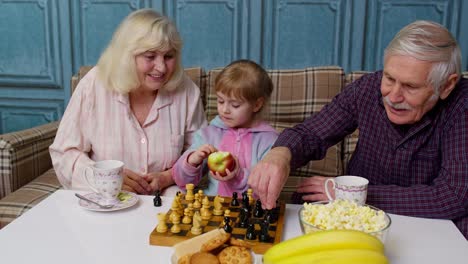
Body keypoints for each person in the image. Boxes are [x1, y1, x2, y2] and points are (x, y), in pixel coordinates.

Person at [248, 20, 468, 239]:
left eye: (411, 86)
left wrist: (350, 194)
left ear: (447, 85)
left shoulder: (462, 106)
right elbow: (311, 133)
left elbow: (454, 195)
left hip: (430, 225)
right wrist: (280, 153)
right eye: (389, 78)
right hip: (356, 219)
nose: (392, 97)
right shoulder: (367, 88)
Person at [50, 9, 207, 195]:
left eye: (169, 56)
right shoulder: (94, 84)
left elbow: (201, 153)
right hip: (105, 198)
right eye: (150, 56)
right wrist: (105, 178)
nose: (162, 67)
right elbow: (64, 154)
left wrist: (168, 177)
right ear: (127, 56)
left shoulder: (186, 91)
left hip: (164, 197)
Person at [172, 60, 278, 196]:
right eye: (220, 101)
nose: (225, 110)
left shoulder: (270, 141)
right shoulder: (209, 134)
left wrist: (238, 174)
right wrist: (192, 160)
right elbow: (183, 182)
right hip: (214, 208)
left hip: (250, 211)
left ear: (257, 105)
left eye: (235, 105)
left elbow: (266, 187)